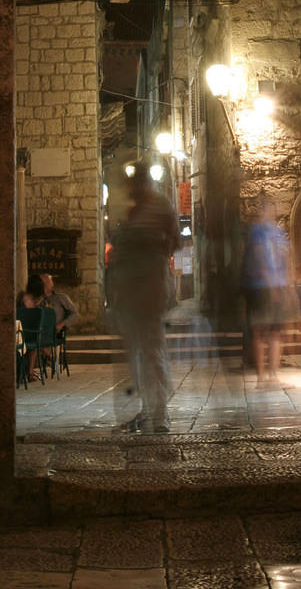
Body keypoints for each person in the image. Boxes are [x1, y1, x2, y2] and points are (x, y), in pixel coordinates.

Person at [106, 162, 180, 433]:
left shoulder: (159, 207)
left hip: (149, 291)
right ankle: (146, 410)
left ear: (144, 182)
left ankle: (159, 413)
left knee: (151, 350)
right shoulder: (133, 210)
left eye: (136, 181)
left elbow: (173, 241)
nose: (132, 187)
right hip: (131, 294)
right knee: (138, 354)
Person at [241, 197, 290, 388]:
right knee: (261, 331)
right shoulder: (257, 232)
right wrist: (272, 283)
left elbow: (286, 257)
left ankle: (273, 375)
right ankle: (263, 377)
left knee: (275, 332)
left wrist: (288, 285)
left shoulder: (278, 232)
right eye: (268, 209)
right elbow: (260, 258)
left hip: (276, 285)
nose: (270, 213)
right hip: (261, 287)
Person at [16, 274, 45, 381]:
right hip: (30, 333)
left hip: (19, 332)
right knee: (36, 341)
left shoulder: (21, 297)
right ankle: (30, 372)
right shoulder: (37, 302)